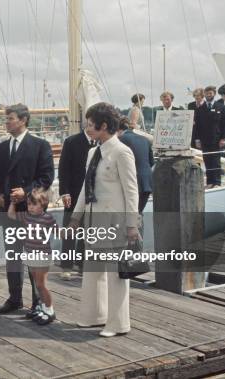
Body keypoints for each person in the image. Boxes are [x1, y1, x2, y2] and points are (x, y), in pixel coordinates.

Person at [69, 102, 139, 337]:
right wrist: (75, 218)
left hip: (115, 222)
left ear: (104, 126)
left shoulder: (122, 152)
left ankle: (118, 323)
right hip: (93, 221)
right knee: (92, 270)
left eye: (90, 124)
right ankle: (93, 315)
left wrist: (132, 225)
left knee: (115, 274)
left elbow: (132, 191)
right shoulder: (93, 152)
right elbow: (84, 188)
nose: (87, 128)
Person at [0, 103, 54, 316]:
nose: (6, 122)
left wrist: (25, 192)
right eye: (6, 119)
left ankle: (38, 302)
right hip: (7, 211)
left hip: (31, 211)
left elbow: (46, 178)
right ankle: (14, 298)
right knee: (13, 256)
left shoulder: (40, 146)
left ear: (24, 120)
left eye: (10, 118)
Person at [7, 188, 57, 325]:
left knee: (41, 284)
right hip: (30, 254)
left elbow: (59, 232)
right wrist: (13, 203)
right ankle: (43, 308)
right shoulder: (26, 216)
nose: (30, 207)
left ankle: (50, 310)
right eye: (29, 204)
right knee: (37, 284)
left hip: (42, 255)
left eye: (34, 204)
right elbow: (11, 215)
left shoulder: (47, 218)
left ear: (43, 204)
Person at [58, 123, 95, 280]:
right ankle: (66, 266)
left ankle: (81, 264)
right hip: (73, 194)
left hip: (92, 196)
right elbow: (63, 169)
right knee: (70, 231)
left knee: (87, 231)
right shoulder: (71, 142)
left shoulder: (100, 143)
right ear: (87, 124)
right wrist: (64, 192)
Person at [118, 117, 154, 213]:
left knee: (130, 217)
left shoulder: (120, 139)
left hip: (132, 183)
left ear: (118, 130)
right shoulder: (145, 139)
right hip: (147, 183)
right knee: (139, 214)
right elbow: (151, 162)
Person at [193, 86, 225, 188]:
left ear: (214, 94)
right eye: (207, 93)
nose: (208, 95)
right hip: (204, 140)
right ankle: (210, 182)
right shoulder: (200, 109)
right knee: (207, 161)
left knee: (216, 161)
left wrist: (223, 138)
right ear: (205, 94)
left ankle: (217, 182)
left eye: (210, 93)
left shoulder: (221, 107)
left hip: (217, 139)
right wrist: (197, 139)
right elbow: (197, 126)